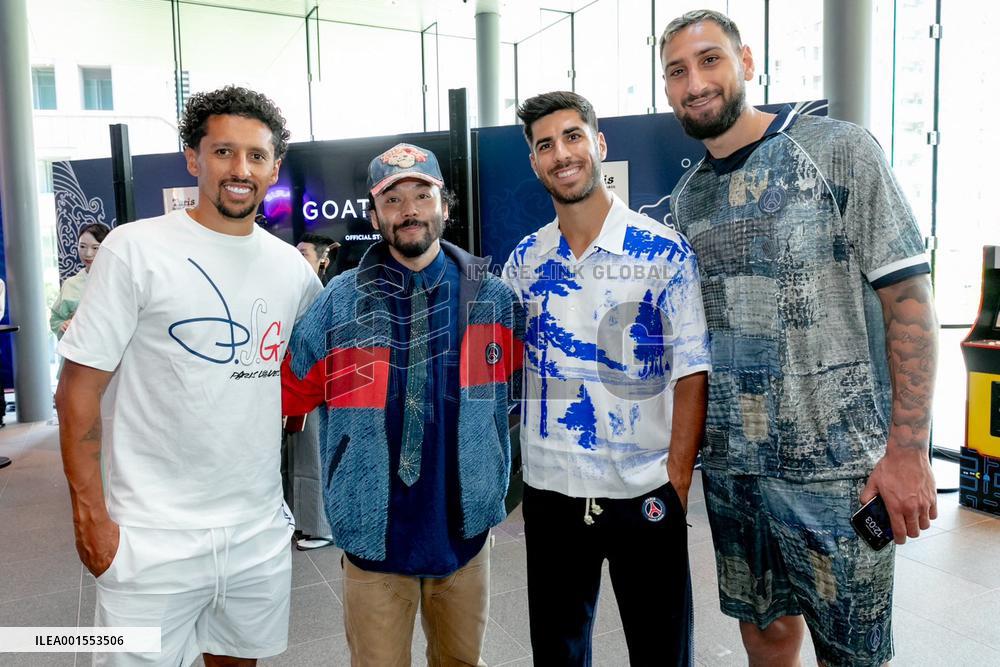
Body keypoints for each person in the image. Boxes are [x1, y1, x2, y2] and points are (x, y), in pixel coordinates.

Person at [661, 10, 938, 666]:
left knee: (854, 652)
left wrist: (907, 452)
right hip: (736, 477)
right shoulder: (686, 201)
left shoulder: (840, 150)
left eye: (710, 60)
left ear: (746, 63)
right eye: (677, 71)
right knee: (765, 633)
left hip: (840, 476)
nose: (695, 81)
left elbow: (908, 304)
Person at [55, 86, 323, 667]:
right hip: (150, 536)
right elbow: (77, 389)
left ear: (274, 167)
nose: (240, 169)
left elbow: (318, 374)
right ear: (193, 158)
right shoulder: (135, 250)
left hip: (256, 533)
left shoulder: (292, 272)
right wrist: (90, 515)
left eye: (256, 156)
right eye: (224, 151)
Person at [282, 143, 522, 666]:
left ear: (445, 206)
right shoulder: (338, 302)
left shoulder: (492, 298)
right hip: (374, 538)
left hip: (463, 536)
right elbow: (293, 389)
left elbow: (514, 397)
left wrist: (494, 471)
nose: (409, 209)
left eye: (422, 195)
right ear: (374, 215)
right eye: (392, 199)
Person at [502, 91, 711, 666]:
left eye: (572, 137)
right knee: (558, 651)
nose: (560, 154)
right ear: (534, 161)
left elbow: (693, 369)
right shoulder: (524, 259)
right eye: (545, 145)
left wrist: (677, 478)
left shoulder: (662, 251)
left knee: (661, 649)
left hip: (643, 488)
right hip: (551, 491)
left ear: (598, 144)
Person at [284, 232, 338, 551]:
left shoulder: (326, 293)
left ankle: (320, 526)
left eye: (303, 253)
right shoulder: (296, 289)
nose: (296, 258)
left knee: (313, 454)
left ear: (323, 260)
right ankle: (300, 520)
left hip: (316, 384)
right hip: (295, 380)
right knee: (297, 454)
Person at [50, 222, 110, 339]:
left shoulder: (117, 281)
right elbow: (55, 319)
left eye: (95, 248)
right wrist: (63, 325)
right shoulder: (70, 284)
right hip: (78, 349)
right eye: (82, 246)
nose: (88, 253)